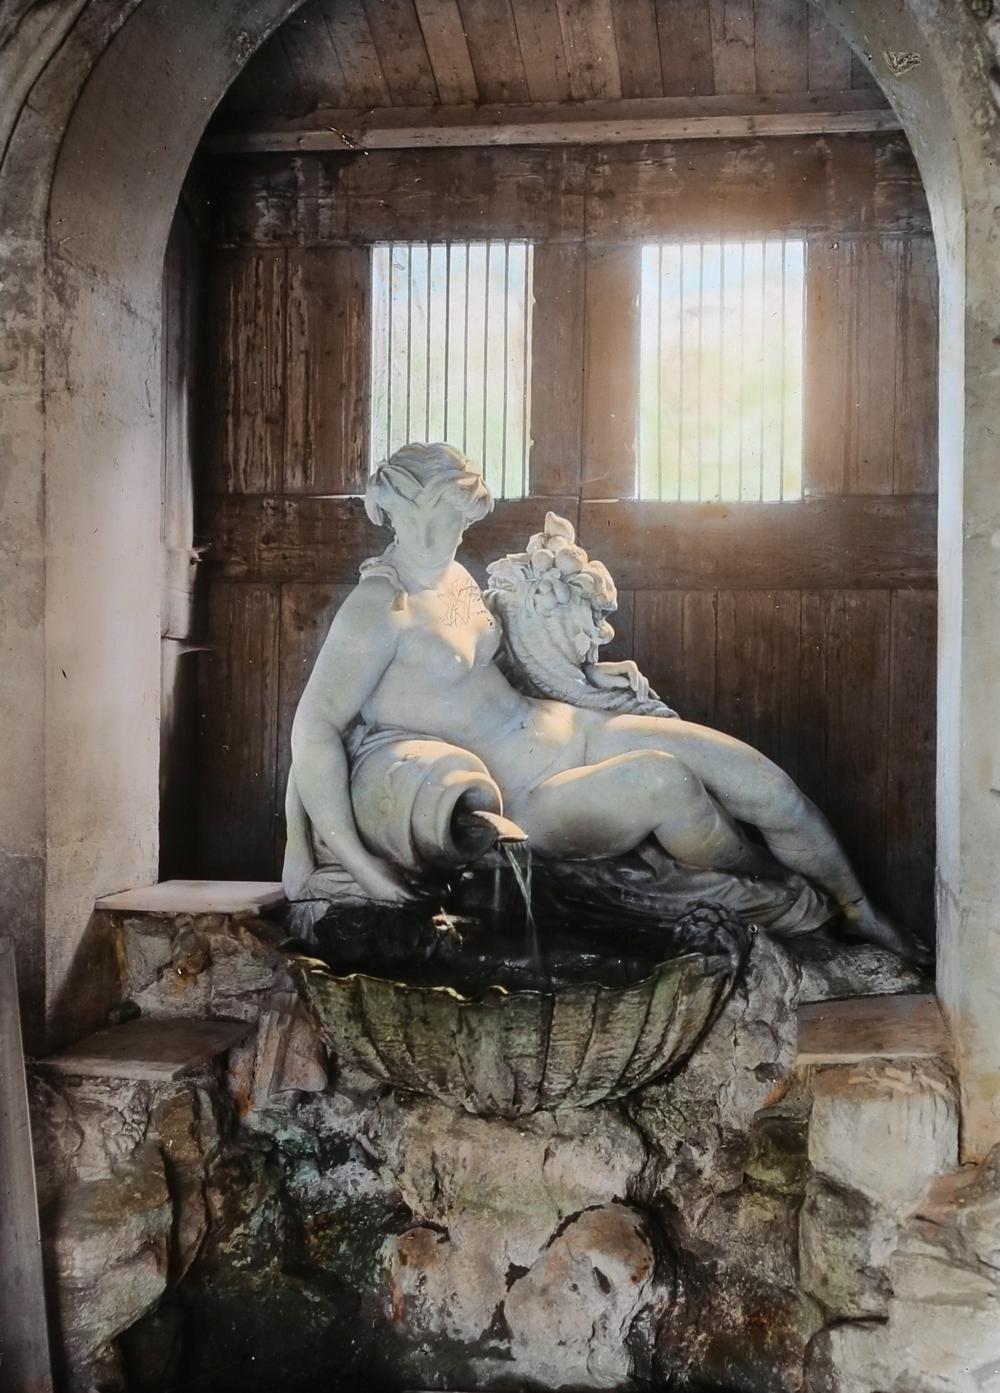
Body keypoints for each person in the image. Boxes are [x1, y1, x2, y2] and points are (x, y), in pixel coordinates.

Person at [288, 442, 912, 956]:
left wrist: (579, 671)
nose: (450, 535)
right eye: (439, 519)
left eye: (460, 520)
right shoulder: (377, 612)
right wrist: (358, 865)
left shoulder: (455, 577)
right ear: (399, 513)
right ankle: (790, 893)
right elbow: (314, 731)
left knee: (766, 786)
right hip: (528, 797)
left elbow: (492, 666)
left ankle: (859, 908)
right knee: (666, 783)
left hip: (571, 727)